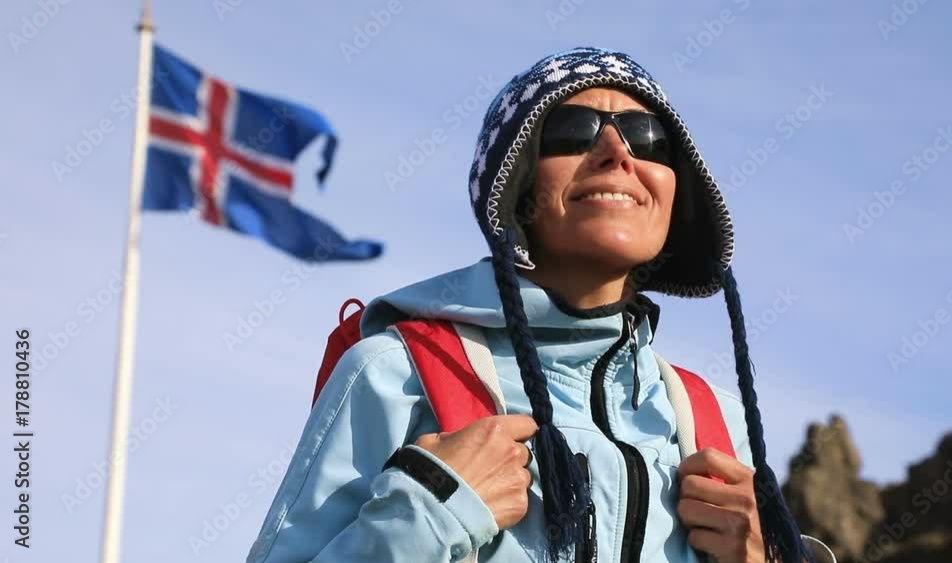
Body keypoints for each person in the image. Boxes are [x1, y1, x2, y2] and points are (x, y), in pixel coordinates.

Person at [246, 47, 834, 563]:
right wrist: (428, 517)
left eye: (647, 136)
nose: (615, 152)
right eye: (573, 131)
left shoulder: (713, 421)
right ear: (518, 184)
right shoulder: (396, 373)